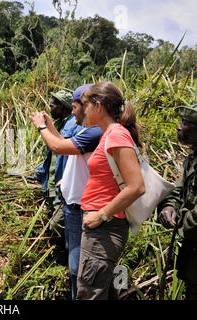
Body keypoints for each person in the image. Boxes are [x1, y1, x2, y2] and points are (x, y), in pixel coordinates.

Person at [31, 84, 102, 299]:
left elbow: (58, 147)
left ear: (89, 106)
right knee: (75, 268)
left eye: (75, 107)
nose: (72, 112)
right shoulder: (84, 127)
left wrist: (42, 127)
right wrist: (49, 125)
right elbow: (62, 143)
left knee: (81, 270)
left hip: (84, 208)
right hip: (72, 205)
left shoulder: (95, 131)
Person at [76, 82, 145, 300]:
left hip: (105, 227)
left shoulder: (116, 135)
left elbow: (136, 186)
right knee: (103, 291)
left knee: (90, 294)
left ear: (99, 105)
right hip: (101, 226)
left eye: (85, 104)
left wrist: (101, 214)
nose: (82, 110)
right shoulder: (109, 134)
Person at [158, 104, 197, 300]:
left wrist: (180, 220)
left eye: (187, 123)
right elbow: (179, 188)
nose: (179, 127)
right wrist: (169, 206)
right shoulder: (192, 157)